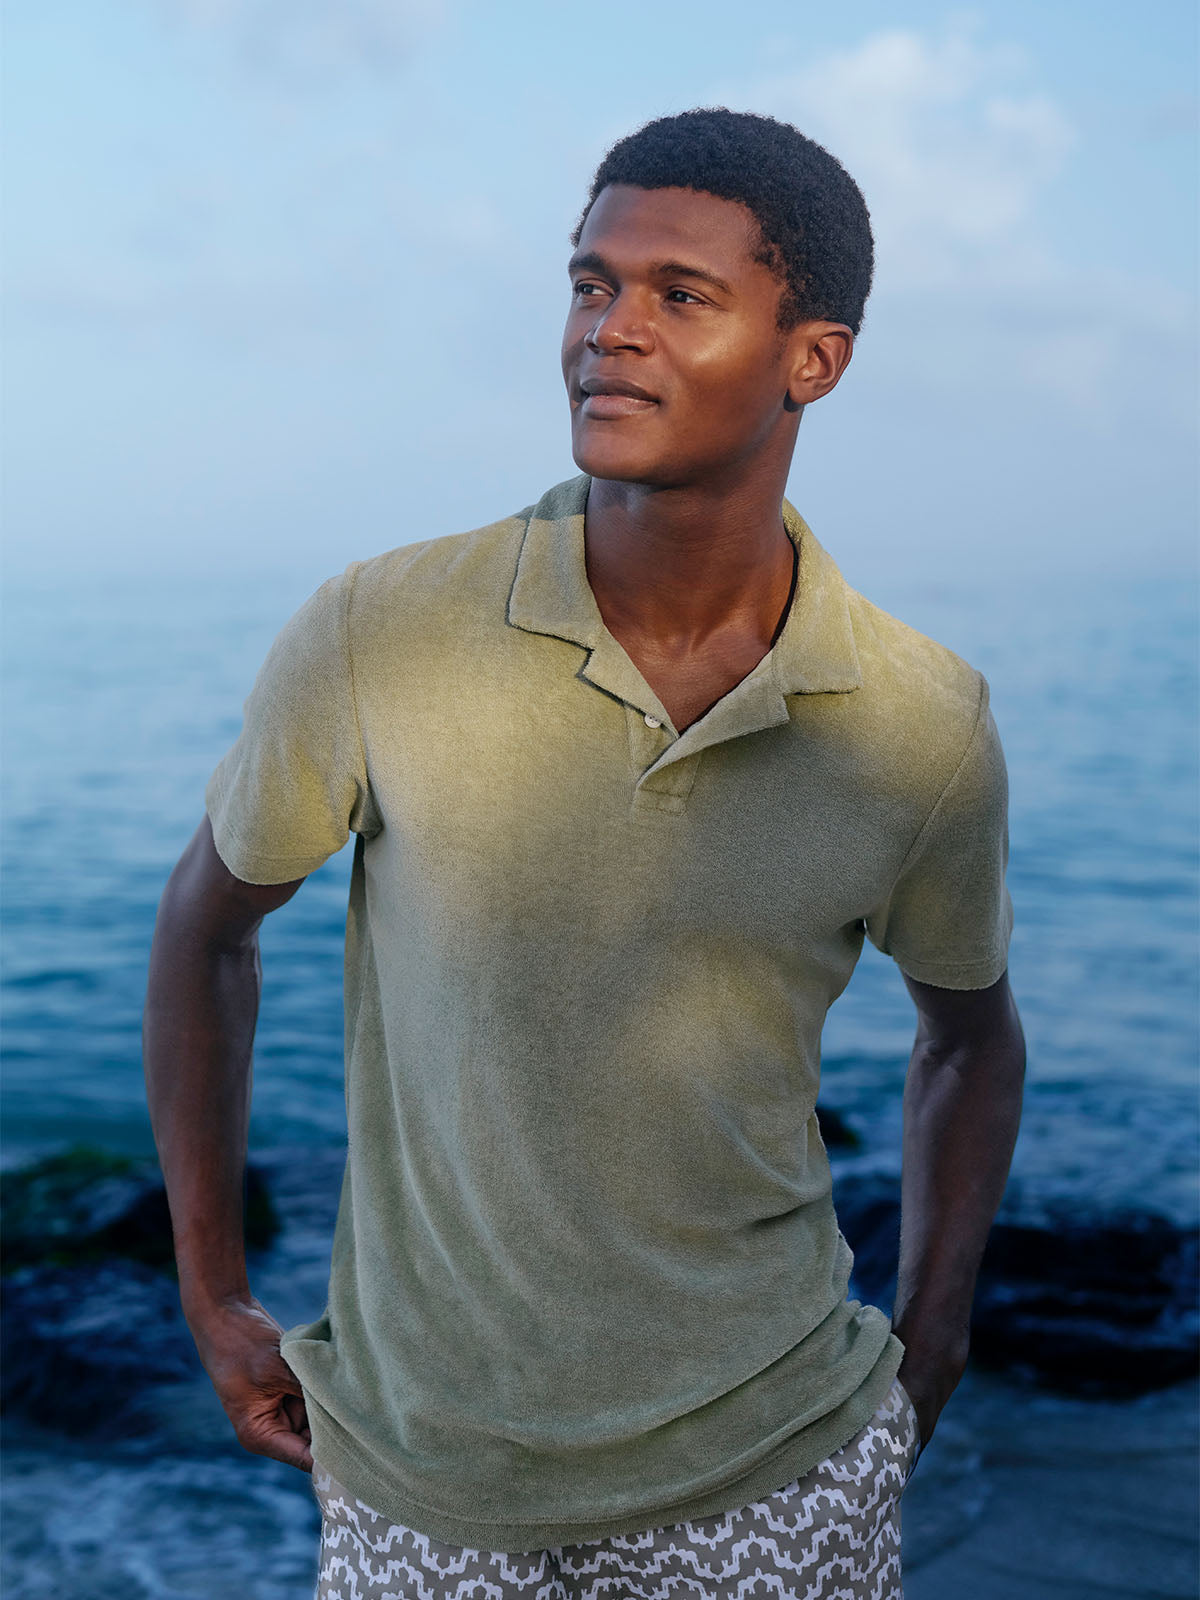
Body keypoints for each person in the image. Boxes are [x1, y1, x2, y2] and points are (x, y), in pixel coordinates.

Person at [144, 108, 1025, 1600]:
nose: (609, 331)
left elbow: (971, 1042)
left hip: (782, 1470)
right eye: (590, 283)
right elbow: (205, 931)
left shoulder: (918, 726)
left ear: (813, 358)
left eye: (680, 295)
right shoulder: (383, 630)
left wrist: (925, 1356)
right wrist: (210, 1290)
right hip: (429, 1485)